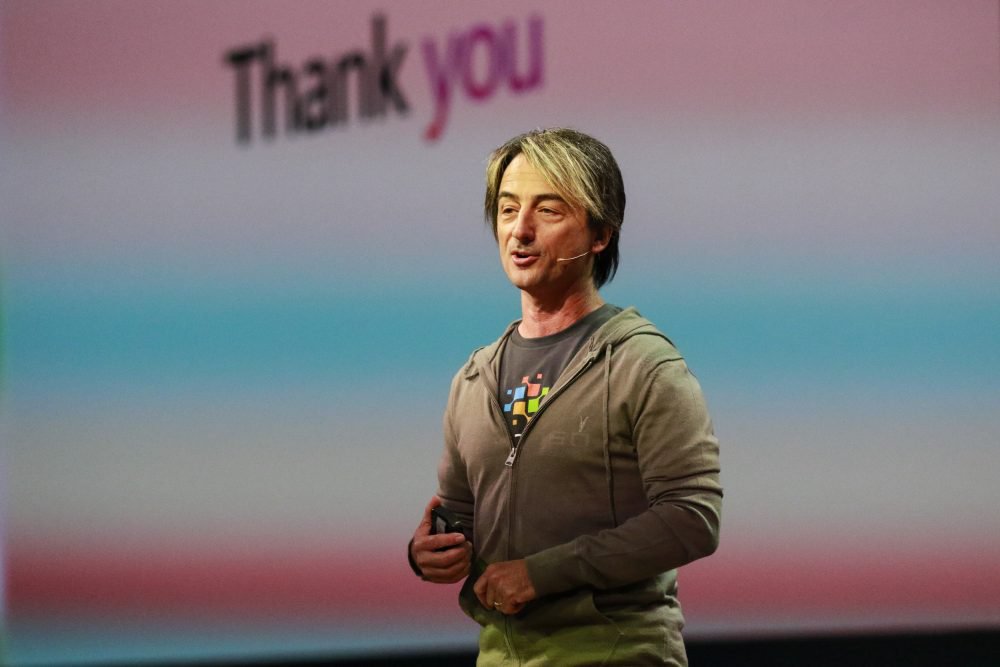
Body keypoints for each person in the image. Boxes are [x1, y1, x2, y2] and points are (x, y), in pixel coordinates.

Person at [408, 128, 722, 666]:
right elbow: (458, 515)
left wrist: (541, 573)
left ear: (600, 234)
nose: (520, 230)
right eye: (508, 210)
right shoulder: (474, 377)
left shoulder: (642, 364)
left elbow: (693, 518)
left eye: (548, 210)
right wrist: (429, 553)